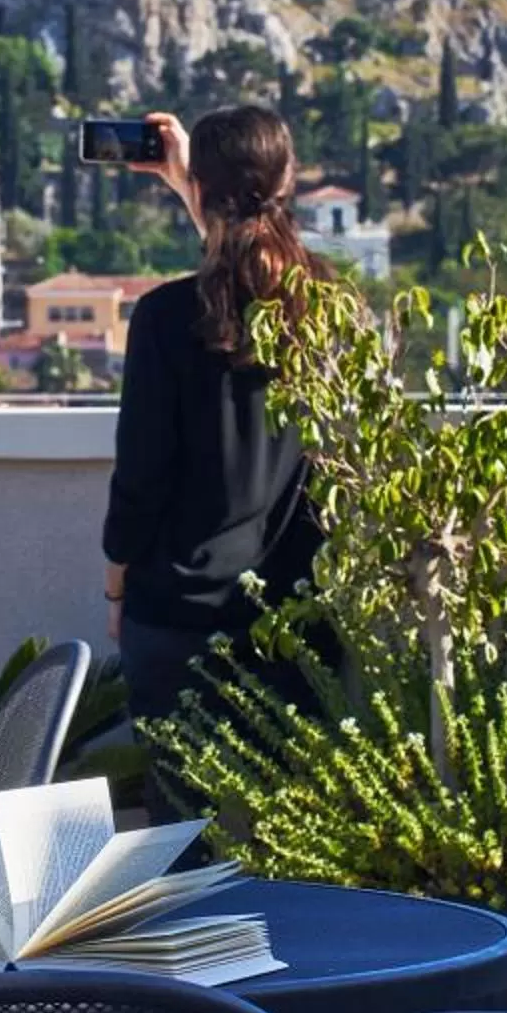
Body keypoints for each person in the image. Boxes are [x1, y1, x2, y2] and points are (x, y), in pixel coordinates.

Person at [100, 104, 332, 778]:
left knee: (179, 821)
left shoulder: (164, 318)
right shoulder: (326, 305)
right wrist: (193, 184)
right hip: (294, 617)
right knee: (290, 818)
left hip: (176, 618)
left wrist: (116, 588)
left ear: (203, 190)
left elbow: (140, 476)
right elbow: (253, 267)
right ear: (288, 181)